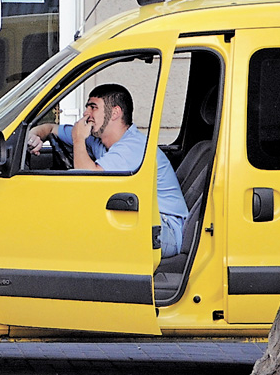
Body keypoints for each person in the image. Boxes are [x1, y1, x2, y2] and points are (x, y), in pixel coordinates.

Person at [27, 83, 188, 258]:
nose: (85, 114)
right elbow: (50, 128)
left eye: (93, 107)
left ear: (115, 112)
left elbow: (86, 181)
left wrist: (78, 139)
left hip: (164, 230)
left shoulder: (132, 147)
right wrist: (34, 136)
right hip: (145, 219)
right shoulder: (99, 141)